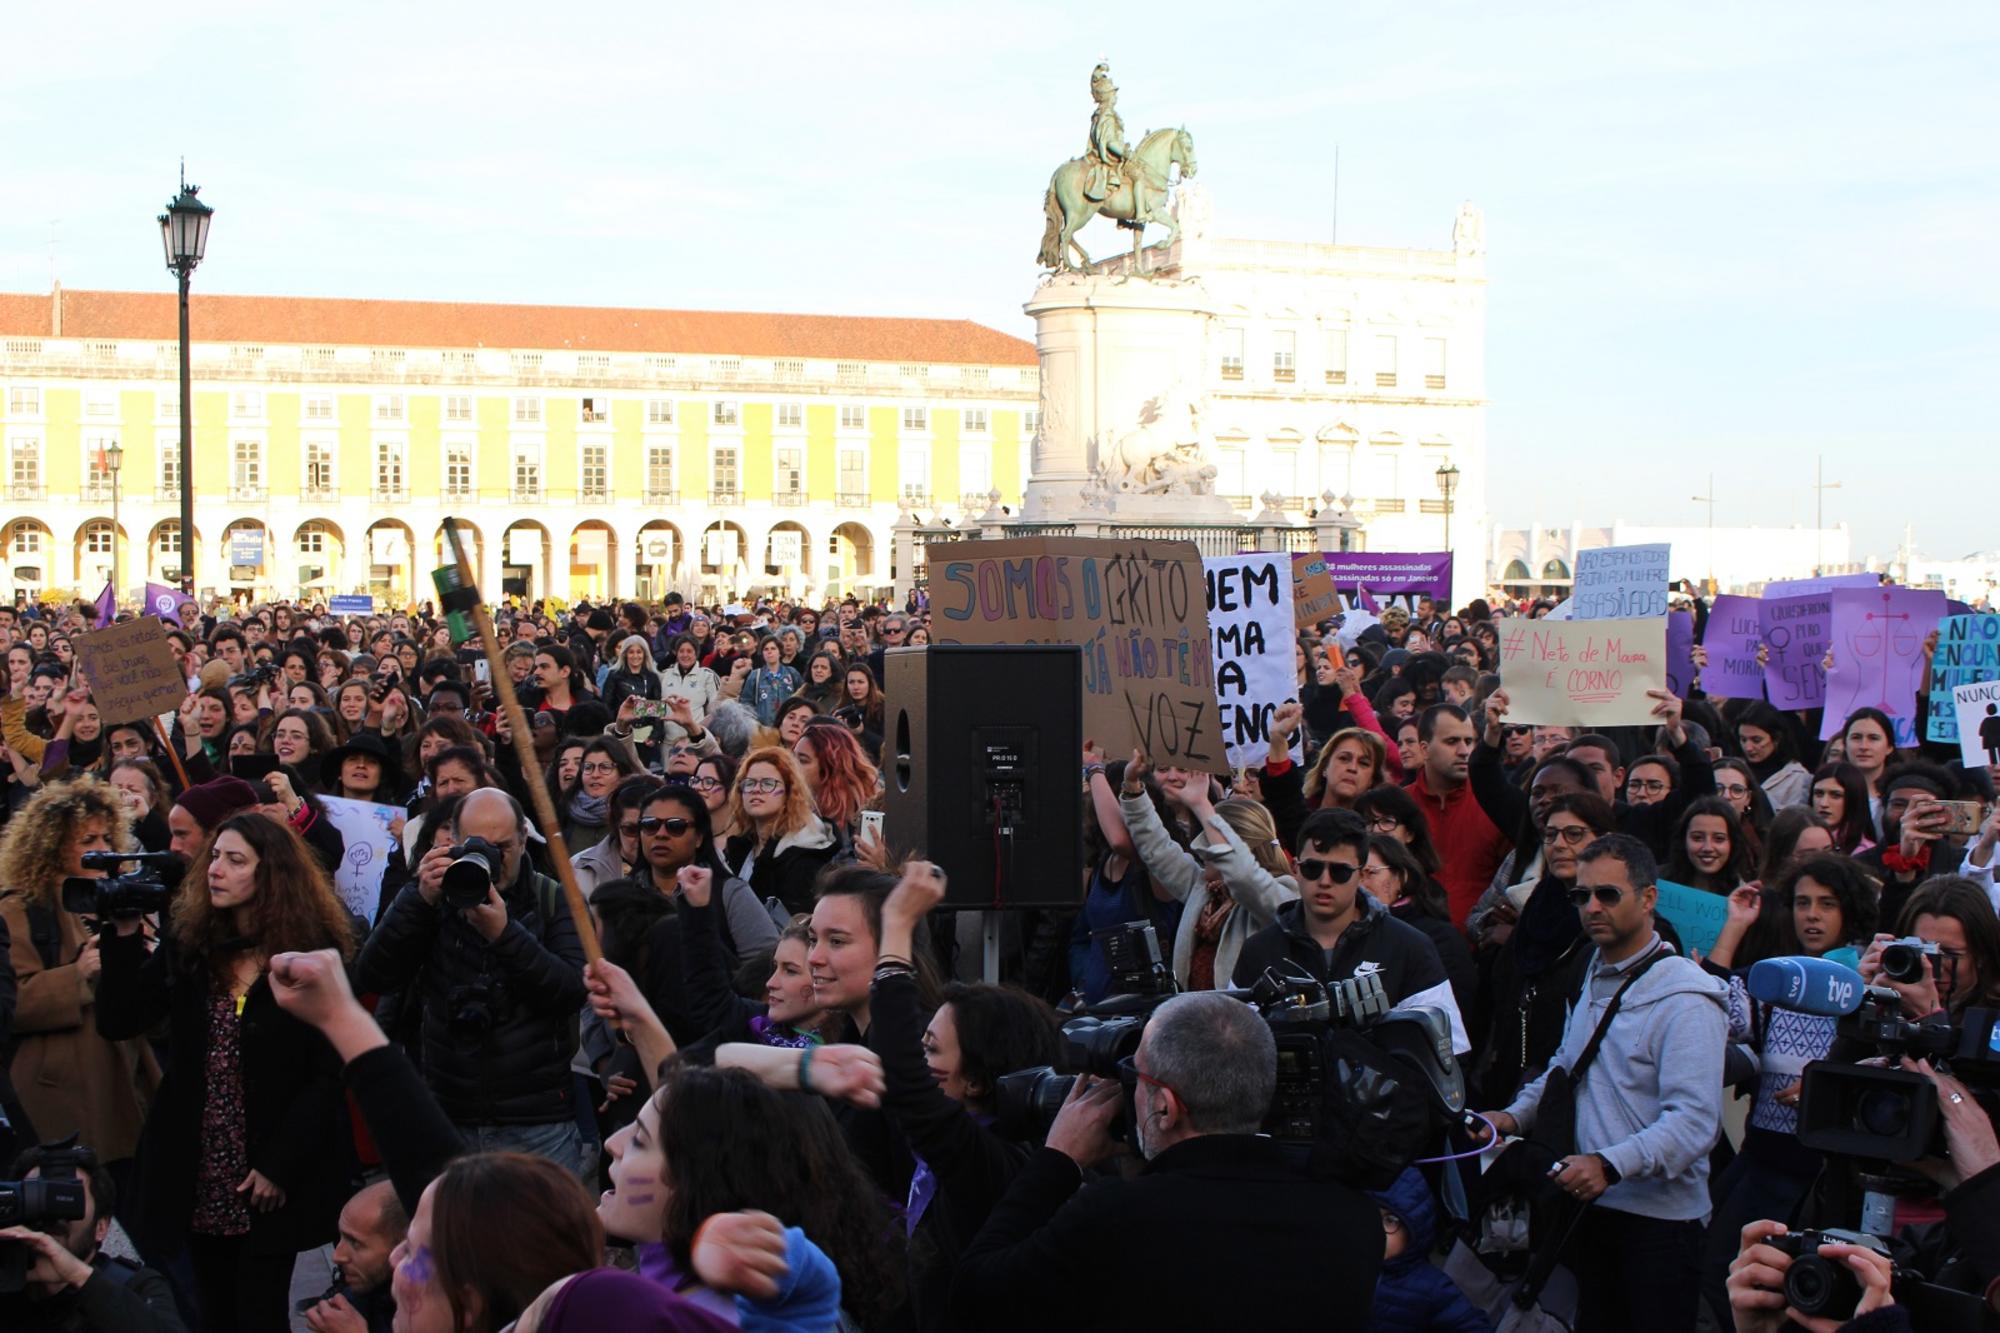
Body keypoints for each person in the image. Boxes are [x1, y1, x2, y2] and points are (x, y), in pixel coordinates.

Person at [948, 990, 1386, 1329]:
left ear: (1166, 1107)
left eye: (1134, 1077)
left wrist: (1056, 1160)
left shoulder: (1116, 1217)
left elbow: (976, 1295)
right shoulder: (1355, 1220)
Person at [95, 814, 358, 1333]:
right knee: (211, 1311)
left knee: (259, 1313)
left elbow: (328, 1073)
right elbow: (119, 1019)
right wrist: (122, 937)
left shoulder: (312, 955)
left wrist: (280, 1164)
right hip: (199, 1164)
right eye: (215, 857)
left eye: (235, 860)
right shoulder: (191, 943)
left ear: (271, 875)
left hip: (269, 1168)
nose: (215, 869)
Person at [1472, 834, 1729, 1333]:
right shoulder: (1594, 968)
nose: (1591, 907)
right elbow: (1566, 1067)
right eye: (1581, 895)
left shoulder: (1688, 997)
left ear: (1648, 898)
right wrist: (1512, 1116)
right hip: (1591, 1211)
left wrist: (1610, 1164)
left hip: (1660, 1227)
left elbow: (1696, 1123)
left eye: (1607, 895)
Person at [353, 788, 590, 1174]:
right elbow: (374, 974)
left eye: (502, 847)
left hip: (536, 1122)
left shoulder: (552, 898)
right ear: (455, 842)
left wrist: (505, 935)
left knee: (541, 1234)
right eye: (478, 845)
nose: (491, 858)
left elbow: (569, 992)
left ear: (523, 840)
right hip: (446, 1115)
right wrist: (418, 898)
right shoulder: (434, 897)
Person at [869, 863, 1064, 1329]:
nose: (918, 1057)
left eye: (931, 1049)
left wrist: (896, 926)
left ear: (975, 1081)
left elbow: (903, 1078)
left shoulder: (991, 1161)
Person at [1697, 854, 1877, 1325]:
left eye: (1826, 904)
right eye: (1801, 903)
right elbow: (1711, 1015)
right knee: (1720, 1269)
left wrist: (1826, 1085)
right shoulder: (1775, 980)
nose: (1811, 915)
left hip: (1820, 1177)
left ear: (1849, 911)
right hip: (1762, 1162)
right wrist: (1735, 926)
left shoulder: (1867, 985)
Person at [0, 779, 154, 1166]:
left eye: (106, 838)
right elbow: (11, 1002)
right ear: (52, 846)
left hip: (124, 1081)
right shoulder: (21, 909)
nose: (101, 850)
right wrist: (76, 975)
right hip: (59, 1094)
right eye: (87, 841)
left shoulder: (122, 899)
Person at [1231, 809, 1469, 1055]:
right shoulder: (1259, 950)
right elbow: (1234, 1052)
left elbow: (1450, 1051)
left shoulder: (1409, 947)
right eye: (1313, 868)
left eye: (1340, 872)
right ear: (1295, 869)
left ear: (1361, 873)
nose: (1324, 881)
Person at [1118, 749, 1297, 991]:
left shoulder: (1282, 894)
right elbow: (1156, 848)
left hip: (1244, 1024)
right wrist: (1132, 786)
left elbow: (1243, 878)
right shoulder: (1204, 888)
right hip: (1197, 1019)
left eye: (1210, 841)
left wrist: (1202, 806)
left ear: (1241, 848)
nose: (1203, 851)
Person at [0, 1141, 189, 1333]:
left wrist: (79, 1276)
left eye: (67, 1199)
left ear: (101, 1227)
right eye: (36, 1196)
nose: (51, 1216)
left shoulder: (136, 1286)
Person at [1408, 703, 1511, 926]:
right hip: (1410, 947)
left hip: (1479, 947)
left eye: (1469, 741)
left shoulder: (1495, 804)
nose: (1464, 751)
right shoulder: (1400, 806)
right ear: (1424, 749)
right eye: (1452, 741)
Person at [721, 747, 838, 917]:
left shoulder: (804, 856)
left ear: (790, 792)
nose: (756, 789)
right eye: (749, 783)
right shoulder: (741, 847)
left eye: (768, 783)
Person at [299, 1180, 407, 1333]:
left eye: (355, 1243)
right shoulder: (359, 1299)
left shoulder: (439, 1311)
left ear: (403, 1247)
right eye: (341, 1237)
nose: (337, 1256)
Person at [791, 722, 877, 844]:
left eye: (803, 760)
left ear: (830, 768)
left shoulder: (860, 819)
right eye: (792, 758)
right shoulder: (789, 804)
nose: (792, 766)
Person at [1735, 701, 1812, 810]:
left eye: (1756, 740)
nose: (1748, 747)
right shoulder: (1733, 770)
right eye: (1743, 739)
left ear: (1776, 739)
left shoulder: (1797, 778)